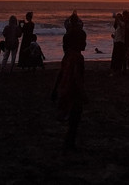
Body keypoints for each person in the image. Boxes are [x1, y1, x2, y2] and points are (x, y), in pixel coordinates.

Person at [52, 12, 87, 152]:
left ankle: (69, 142)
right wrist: (83, 93)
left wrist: (54, 89)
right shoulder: (78, 58)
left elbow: (61, 73)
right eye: (84, 41)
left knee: (71, 117)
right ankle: (69, 143)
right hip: (73, 91)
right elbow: (77, 76)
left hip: (65, 88)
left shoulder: (67, 56)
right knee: (75, 118)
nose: (86, 43)